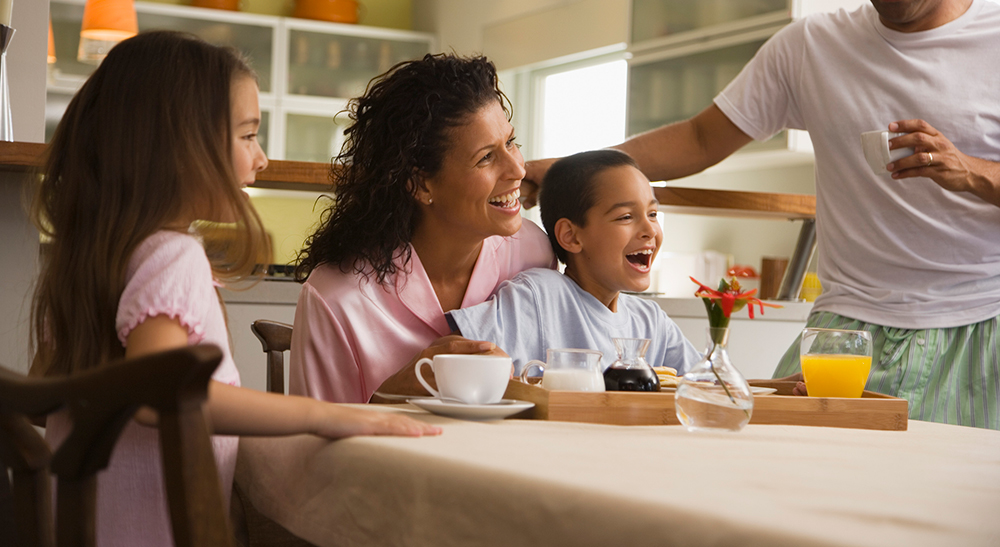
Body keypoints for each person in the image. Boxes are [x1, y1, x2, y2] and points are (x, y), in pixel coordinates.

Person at [526, 0, 1000, 429]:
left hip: (980, 326)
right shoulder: (812, 47)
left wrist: (971, 172)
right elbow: (701, 139)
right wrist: (563, 168)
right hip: (845, 335)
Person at [29, 31, 440, 547]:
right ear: (178, 146)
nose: (262, 157)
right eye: (248, 135)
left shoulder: (88, 261)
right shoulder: (170, 255)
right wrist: (327, 414)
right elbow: (159, 395)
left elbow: (43, 402)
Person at [290, 54, 556, 403]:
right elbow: (312, 447)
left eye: (510, 142)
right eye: (486, 157)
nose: (517, 170)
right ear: (421, 184)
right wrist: (390, 396)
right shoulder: (337, 297)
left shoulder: (534, 255)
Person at [447, 150, 700, 377]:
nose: (649, 230)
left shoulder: (651, 321)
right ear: (571, 236)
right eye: (625, 217)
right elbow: (457, 355)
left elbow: (709, 388)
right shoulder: (540, 295)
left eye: (653, 214)